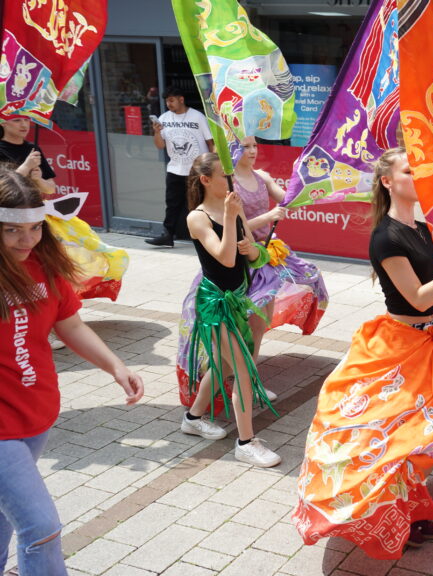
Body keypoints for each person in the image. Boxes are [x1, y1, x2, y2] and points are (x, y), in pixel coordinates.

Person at [294, 148, 433, 558]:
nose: (418, 176)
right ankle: (393, 506)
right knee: (401, 433)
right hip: (399, 343)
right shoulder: (384, 237)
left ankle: (407, 501)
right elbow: (418, 299)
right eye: (409, 171)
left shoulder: (423, 227)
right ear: (388, 181)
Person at [0, 169, 144, 576]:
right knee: (40, 525)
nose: (26, 240)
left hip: (36, 412)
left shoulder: (44, 266)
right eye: (12, 231)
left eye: (34, 228)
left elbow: (71, 325)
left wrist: (116, 366)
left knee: (4, 517)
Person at [175, 136, 328, 405]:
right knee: (238, 335)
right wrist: (265, 219)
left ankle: (242, 382)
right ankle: (241, 386)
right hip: (227, 274)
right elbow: (227, 250)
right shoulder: (221, 195)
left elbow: (287, 200)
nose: (252, 151)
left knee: (260, 323)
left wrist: (306, 175)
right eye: (245, 146)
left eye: (255, 146)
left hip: (256, 258)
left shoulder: (260, 177)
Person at [177, 153, 281, 468]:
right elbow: (223, 258)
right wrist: (232, 216)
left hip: (237, 298)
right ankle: (246, 442)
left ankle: (193, 418)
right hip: (215, 302)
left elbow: (255, 258)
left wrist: (254, 250)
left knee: (223, 366)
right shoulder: (198, 217)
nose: (231, 181)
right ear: (206, 180)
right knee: (243, 368)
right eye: (225, 176)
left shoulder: (233, 211)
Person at [0, 115, 128, 301]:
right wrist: (26, 167)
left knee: (54, 260)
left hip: (38, 216)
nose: (24, 125)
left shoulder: (33, 149)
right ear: (3, 122)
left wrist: (38, 179)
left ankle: (54, 302)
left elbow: (50, 188)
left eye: (27, 120)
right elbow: (4, 186)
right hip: (10, 221)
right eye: (17, 120)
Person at [147, 88, 213, 247]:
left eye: (171, 100)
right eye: (167, 101)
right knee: (172, 204)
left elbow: (210, 142)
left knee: (199, 203)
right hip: (175, 168)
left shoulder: (197, 117)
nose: (168, 104)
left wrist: (212, 165)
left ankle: (205, 236)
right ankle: (168, 235)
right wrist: (156, 132)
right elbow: (160, 145)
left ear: (181, 99)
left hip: (197, 169)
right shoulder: (163, 119)